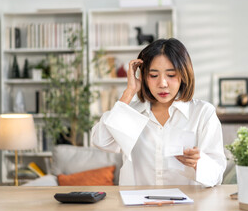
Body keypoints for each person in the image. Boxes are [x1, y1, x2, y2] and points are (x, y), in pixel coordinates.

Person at [91, 38, 226, 187]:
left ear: (183, 75)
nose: (162, 83)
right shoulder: (130, 112)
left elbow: (217, 176)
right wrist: (129, 92)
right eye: (153, 75)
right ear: (143, 77)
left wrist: (197, 163)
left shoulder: (202, 113)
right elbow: (100, 141)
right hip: (137, 206)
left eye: (171, 75)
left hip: (187, 208)